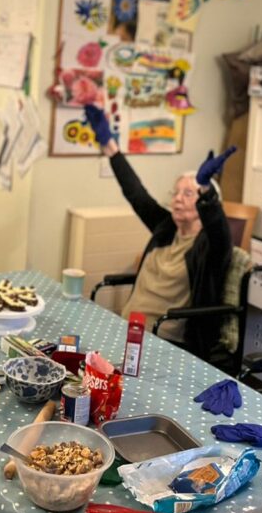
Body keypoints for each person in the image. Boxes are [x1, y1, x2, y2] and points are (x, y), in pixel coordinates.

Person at [84, 104, 236, 359]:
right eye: (175, 193)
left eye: (188, 194)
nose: (177, 199)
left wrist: (206, 191)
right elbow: (136, 194)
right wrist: (111, 148)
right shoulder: (166, 228)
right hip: (129, 330)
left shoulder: (210, 247)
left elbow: (219, 229)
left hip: (165, 344)